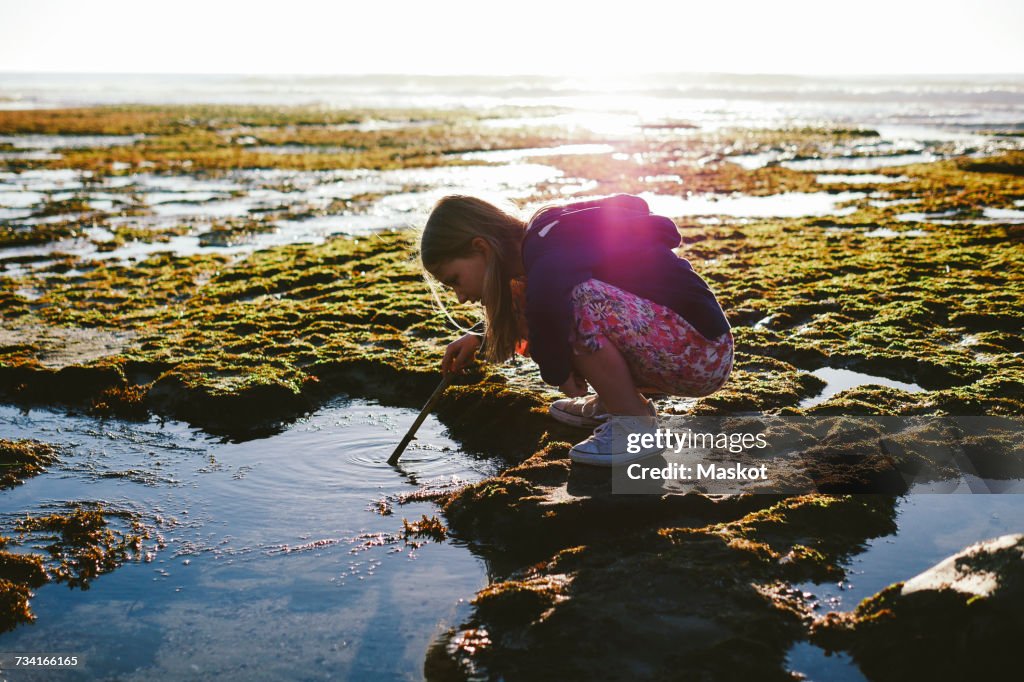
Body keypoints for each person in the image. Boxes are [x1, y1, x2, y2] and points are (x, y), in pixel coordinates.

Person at [420, 193, 733, 466]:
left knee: (565, 301)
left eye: (455, 280)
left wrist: (557, 373)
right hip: (682, 345)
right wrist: (479, 336)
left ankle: (633, 422)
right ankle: (612, 400)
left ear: (481, 247)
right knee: (538, 296)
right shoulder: (540, 247)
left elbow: (546, 307)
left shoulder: (546, 250)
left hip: (699, 350)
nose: (460, 297)